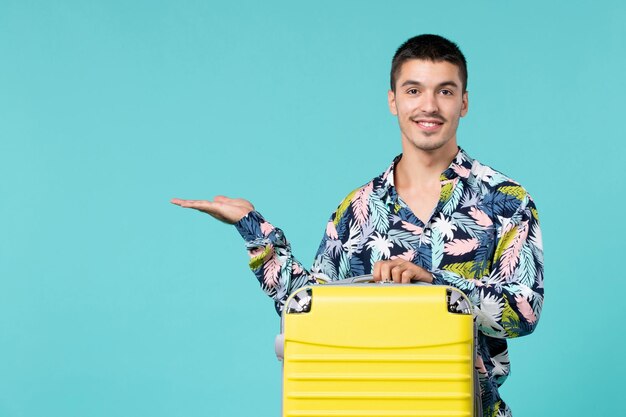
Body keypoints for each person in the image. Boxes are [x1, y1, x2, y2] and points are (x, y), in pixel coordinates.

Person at [171, 34, 544, 417]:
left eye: (445, 91)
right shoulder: (358, 208)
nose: (429, 106)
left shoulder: (506, 200)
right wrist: (254, 229)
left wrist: (434, 284)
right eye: (413, 90)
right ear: (393, 100)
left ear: (463, 102)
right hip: (367, 404)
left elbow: (525, 310)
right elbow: (310, 308)